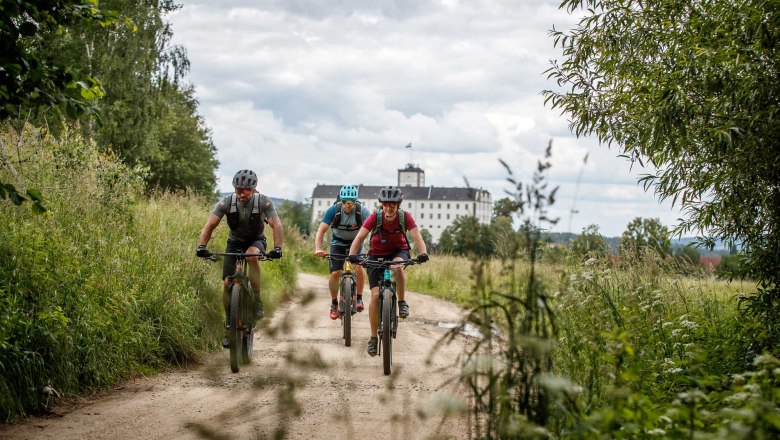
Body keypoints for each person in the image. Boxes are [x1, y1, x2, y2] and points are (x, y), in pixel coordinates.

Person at [196, 169, 283, 347]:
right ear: (234, 189)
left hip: (256, 240)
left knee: (252, 256)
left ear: (253, 189)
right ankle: (230, 327)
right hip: (234, 243)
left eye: (246, 190)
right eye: (238, 190)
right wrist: (202, 247)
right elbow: (210, 224)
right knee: (227, 283)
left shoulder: (263, 202)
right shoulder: (226, 202)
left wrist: (277, 248)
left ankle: (256, 300)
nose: (242, 194)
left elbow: (276, 224)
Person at [347, 185, 429, 356]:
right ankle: (373, 338)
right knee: (376, 297)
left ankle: (401, 302)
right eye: (385, 204)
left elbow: (416, 237)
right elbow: (359, 237)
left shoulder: (405, 217)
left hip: (399, 252)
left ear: (398, 205)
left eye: (392, 204)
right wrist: (352, 255)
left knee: (397, 266)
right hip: (375, 255)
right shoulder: (374, 217)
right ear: (382, 205)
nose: (389, 207)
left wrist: (423, 253)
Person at [313, 185, 371, 319]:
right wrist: (318, 248)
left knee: (359, 268)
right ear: (341, 201)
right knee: (335, 273)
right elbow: (321, 230)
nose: (347, 205)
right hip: (337, 243)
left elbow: (373, 229)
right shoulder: (334, 210)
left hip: (356, 244)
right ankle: (334, 303)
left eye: (351, 202)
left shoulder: (362, 211)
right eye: (344, 202)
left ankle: (359, 298)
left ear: (355, 201)